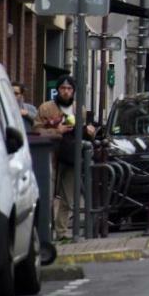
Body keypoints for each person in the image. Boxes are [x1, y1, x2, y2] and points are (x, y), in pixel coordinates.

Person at [36, 78, 94, 239]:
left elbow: (82, 133)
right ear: (57, 89)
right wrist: (56, 131)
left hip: (71, 157)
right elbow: (37, 131)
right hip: (50, 156)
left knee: (68, 198)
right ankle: (45, 232)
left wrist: (89, 131)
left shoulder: (78, 109)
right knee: (47, 196)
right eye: (62, 88)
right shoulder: (46, 108)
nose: (66, 91)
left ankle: (61, 232)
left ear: (73, 91)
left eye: (69, 88)